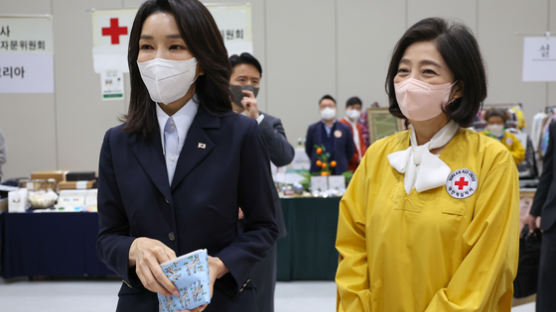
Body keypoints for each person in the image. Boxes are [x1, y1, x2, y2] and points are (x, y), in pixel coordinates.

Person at [96, 1, 279, 312]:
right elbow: (107, 237)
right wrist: (134, 248)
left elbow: (265, 227)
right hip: (143, 303)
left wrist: (219, 265)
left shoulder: (240, 135)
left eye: (176, 46)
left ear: (202, 61)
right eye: (147, 46)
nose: (157, 60)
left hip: (222, 301)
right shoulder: (118, 142)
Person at [335, 17, 519, 311]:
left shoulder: (490, 161)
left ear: (458, 88)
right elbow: (352, 249)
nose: (410, 82)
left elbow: (487, 268)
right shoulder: (377, 157)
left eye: (428, 72)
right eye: (403, 70)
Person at [229, 52, 294, 312]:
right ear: (226, 82)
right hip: (221, 221)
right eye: (241, 79)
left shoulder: (268, 122)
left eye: (255, 81)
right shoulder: (210, 122)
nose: (248, 85)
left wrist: (256, 119)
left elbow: (284, 156)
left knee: (261, 296)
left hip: (262, 223)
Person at [525, 120, 556, 312]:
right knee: (548, 284)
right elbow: (548, 171)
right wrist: (535, 210)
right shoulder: (554, 126)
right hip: (553, 219)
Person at [305, 95, 354, 175]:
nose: (327, 109)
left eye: (330, 106)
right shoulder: (312, 129)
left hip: (339, 171)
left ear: (336, 109)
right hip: (318, 170)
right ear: (320, 109)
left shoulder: (345, 128)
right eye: (324, 106)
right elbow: (309, 149)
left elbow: (350, 151)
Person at [339, 96, 367, 171]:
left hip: (359, 163)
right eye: (352, 108)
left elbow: (362, 143)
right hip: (349, 164)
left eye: (358, 109)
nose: (355, 110)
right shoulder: (341, 124)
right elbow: (344, 147)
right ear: (346, 108)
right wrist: (356, 158)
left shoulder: (358, 125)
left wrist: (363, 157)